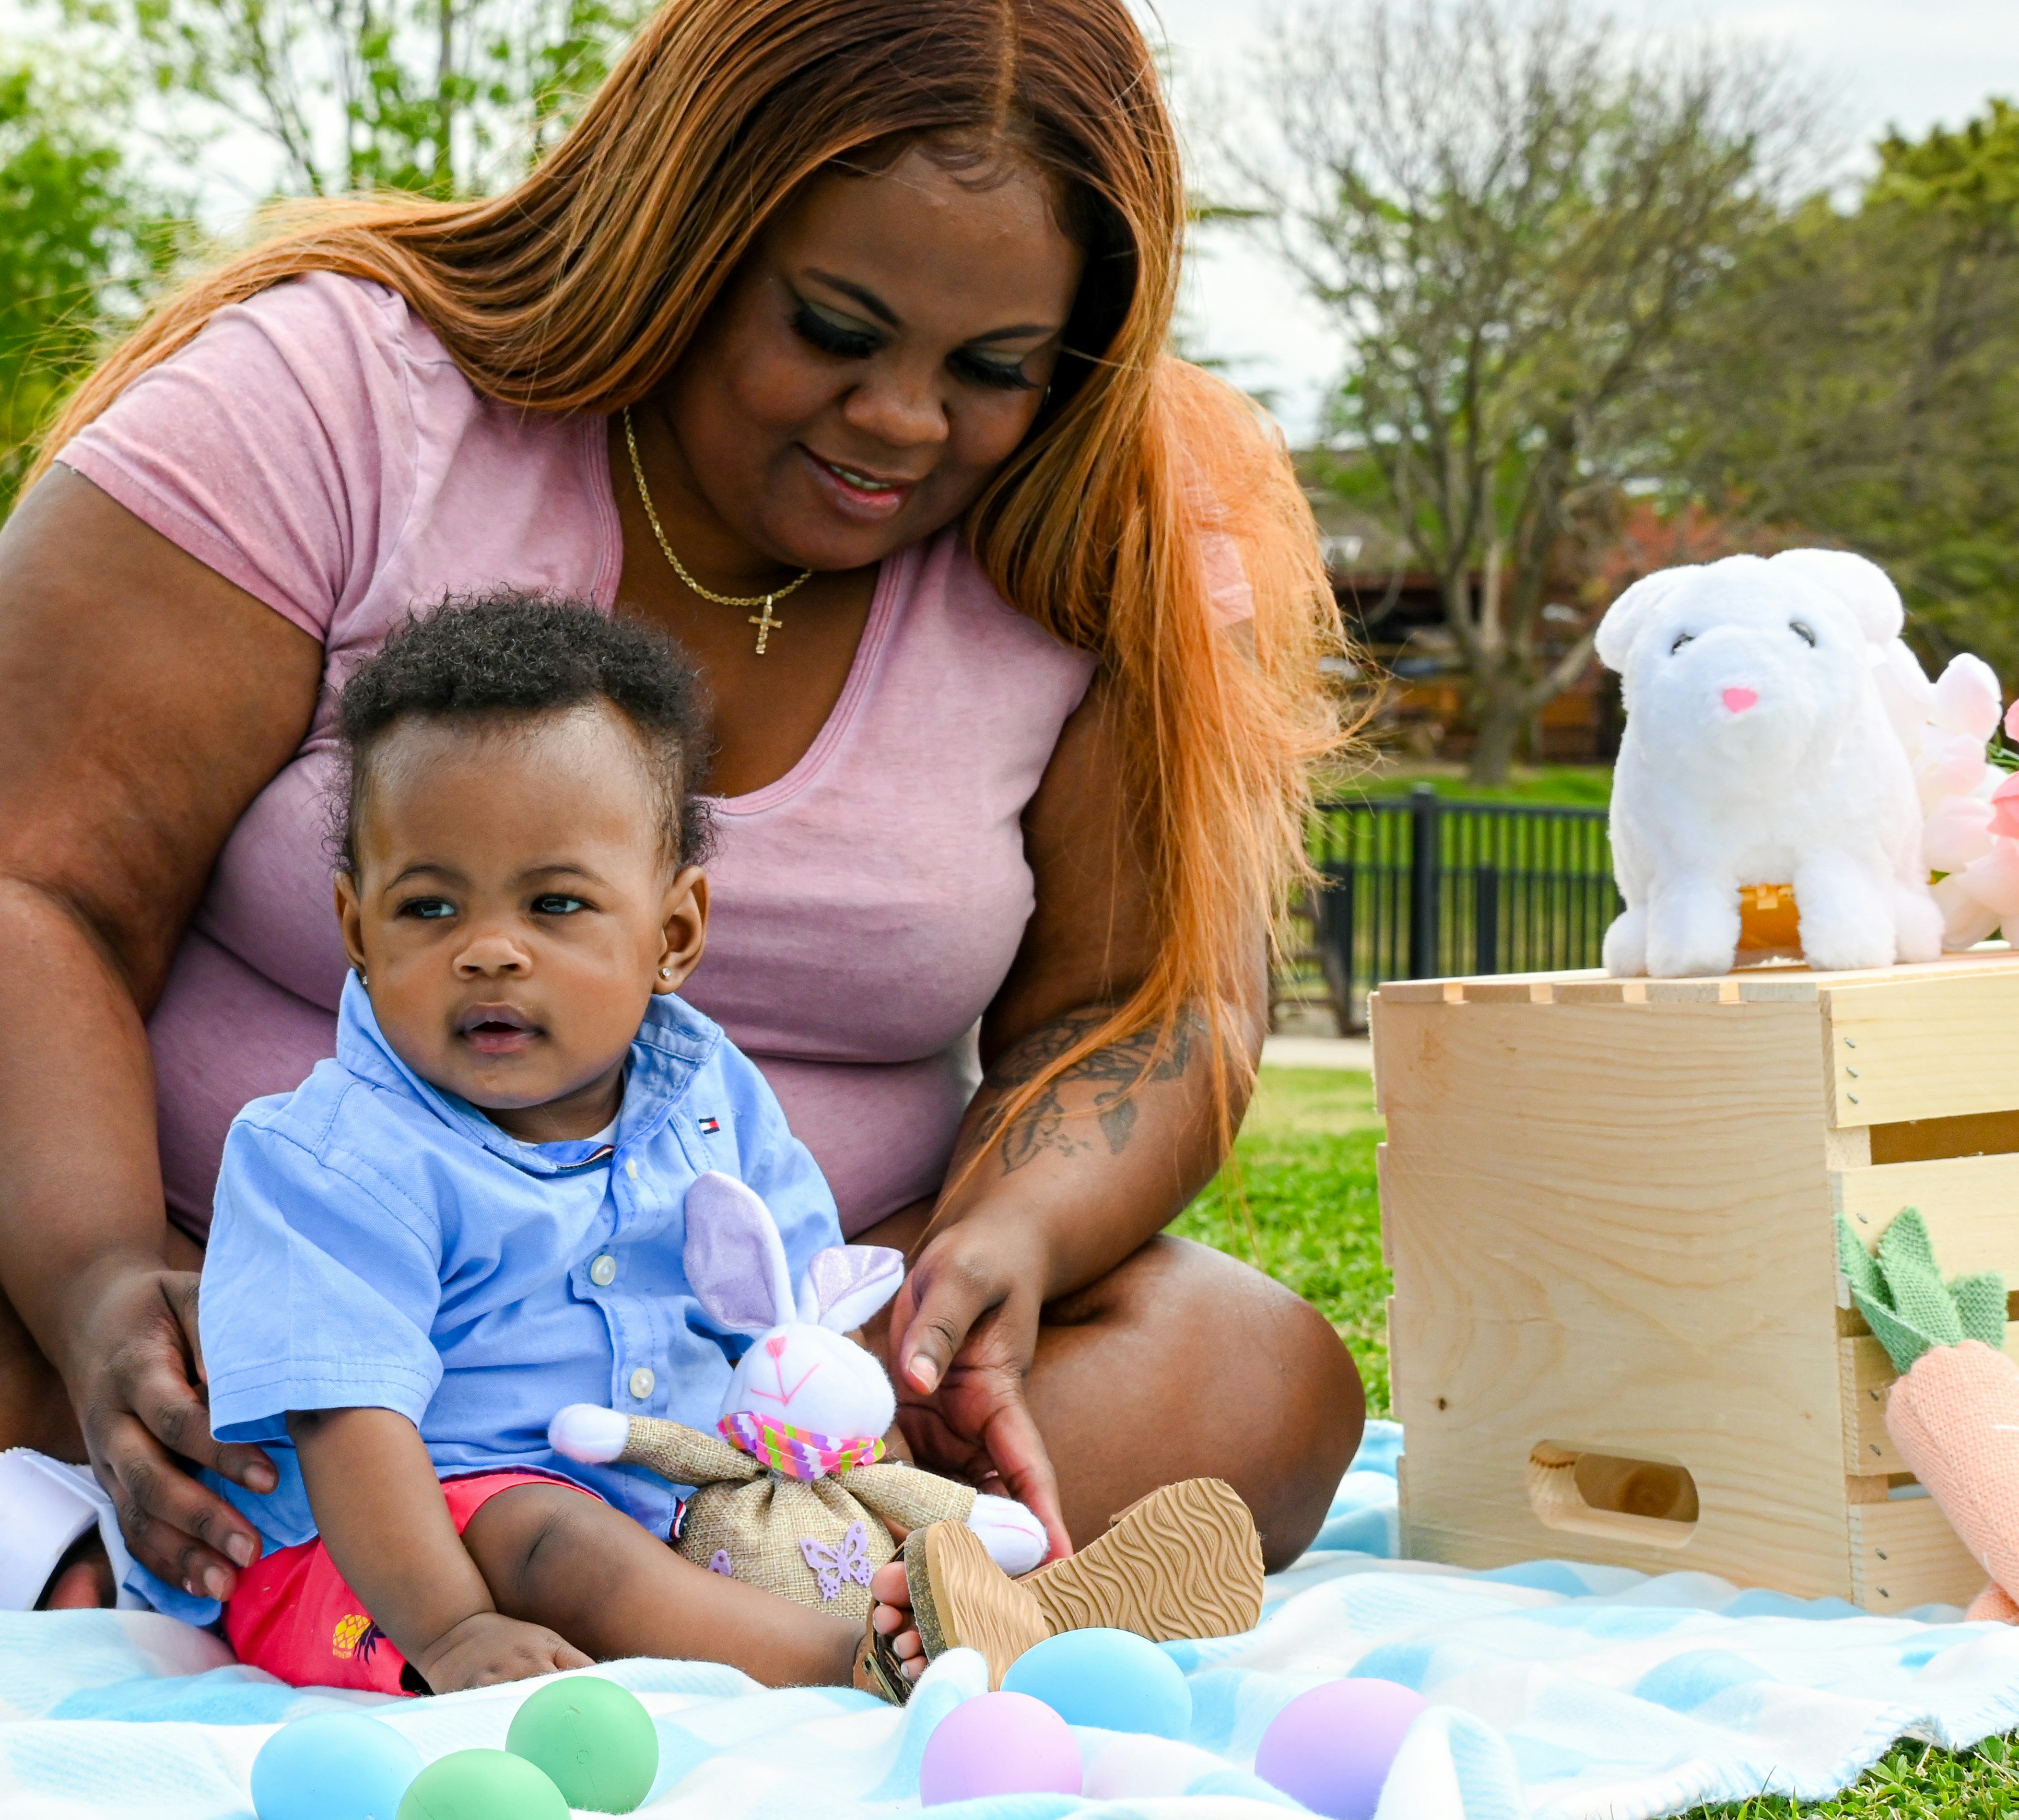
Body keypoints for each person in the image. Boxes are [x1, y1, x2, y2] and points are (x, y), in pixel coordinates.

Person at [0, 0, 1362, 1745]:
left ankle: (408, 1586)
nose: (901, 421)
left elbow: (1146, 1010)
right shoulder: (337, 392)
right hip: (176, 1269)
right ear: (687, 224)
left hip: (734, 1382)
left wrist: (994, 1248)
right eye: (833, 328)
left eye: (992, 372)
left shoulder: (1111, 535)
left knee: (1251, 1373)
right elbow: (26, 878)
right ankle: (193, 1518)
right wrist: (97, 1292)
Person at [90, 595, 1256, 1698]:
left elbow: (799, 1314)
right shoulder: (332, 1159)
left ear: (675, 930)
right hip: (395, 1565)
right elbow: (353, 1432)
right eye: (430, 907)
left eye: (554, 905)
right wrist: (453, 1629)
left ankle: (1018, 1608)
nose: (488, 953)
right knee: (551, 1531)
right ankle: (860, 1662)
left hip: (687, 1505)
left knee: (854, 1510)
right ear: (356, 925)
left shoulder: (707, 1097)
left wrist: (850, 1470)